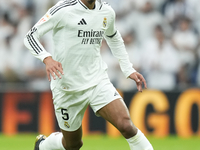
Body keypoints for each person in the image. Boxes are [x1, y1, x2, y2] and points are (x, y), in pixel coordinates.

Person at [24, 0, 153, 150]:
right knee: (73, 145)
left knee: (126, 125)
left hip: (97, 80)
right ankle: (43, 146)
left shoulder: (106, 11)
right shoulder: (63, 9)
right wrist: (47, 58)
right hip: (67, 87)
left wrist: (128, 69)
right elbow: (30, 36)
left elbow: (113, 37)